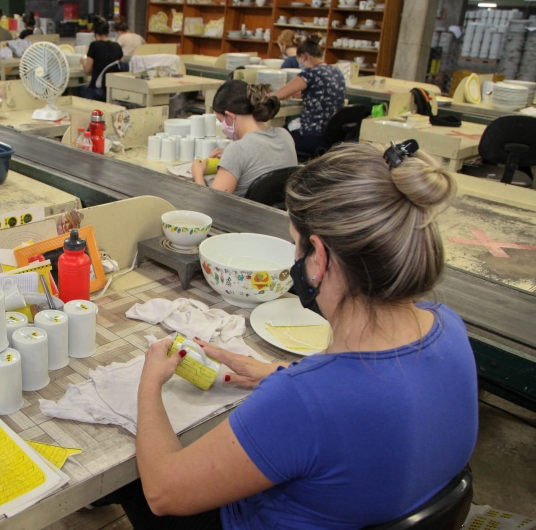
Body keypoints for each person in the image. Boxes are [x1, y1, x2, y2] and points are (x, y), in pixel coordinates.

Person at [114, 140, 477, 529]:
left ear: (318, 257)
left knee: (129, 480)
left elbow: (164, 493)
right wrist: (277, 372)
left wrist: (149, 384)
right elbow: (367, 396)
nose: (294, 258)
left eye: (295, 245)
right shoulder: (448, 326)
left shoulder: (301, 402)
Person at [192, 81, 296, 197]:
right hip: (277, 213)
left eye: (221, 121)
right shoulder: (285, 135)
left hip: (241, 214)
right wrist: (231, 159)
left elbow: (212, 205)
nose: (222, 127)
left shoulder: (237, 150)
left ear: (230, 116)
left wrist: (198, 174)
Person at [274, 35, 346, 155]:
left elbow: (279, 94)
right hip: (333, 136)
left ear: (303, 57)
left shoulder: (310, 73)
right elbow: (322, 91)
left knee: (277, 135)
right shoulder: (336, 71)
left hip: (313, 136)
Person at [79, 16, 123, 102]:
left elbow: (87, 69)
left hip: (98, 91)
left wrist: (83, 62)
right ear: (108, 31)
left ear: (94, 32)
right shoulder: (117, 46)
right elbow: (121, 66)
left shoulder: (94, 45)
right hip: (113, 91)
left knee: (78, 89)